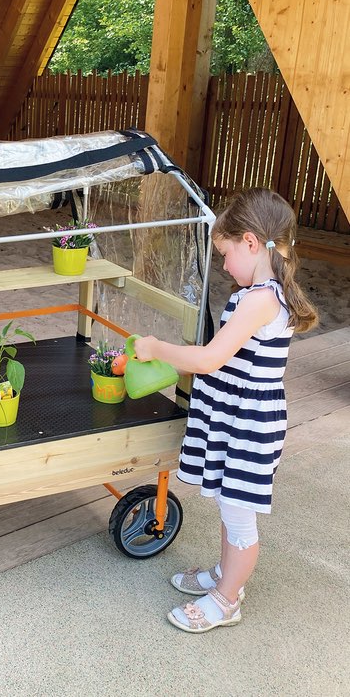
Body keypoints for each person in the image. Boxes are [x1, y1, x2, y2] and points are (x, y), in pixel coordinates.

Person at [132, 188, 318, 633]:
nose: (224, 266)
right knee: (230, 505)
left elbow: (208, 360)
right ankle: (224, 574)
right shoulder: (260, 294)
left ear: (251, 243)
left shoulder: (260, 300)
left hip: (249, 425)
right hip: (238, 417)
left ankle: (227, 599)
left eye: (226, 254)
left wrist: (156, 347)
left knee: (239, 516)